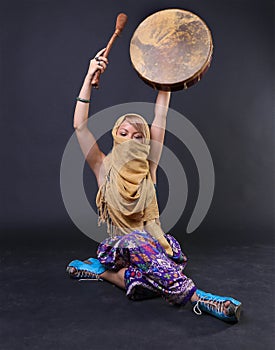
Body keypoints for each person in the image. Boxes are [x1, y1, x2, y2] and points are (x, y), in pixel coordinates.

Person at [66, 48, 242, 323]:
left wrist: (166, 74)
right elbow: (80, 126)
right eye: (123, 134)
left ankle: (101, 273)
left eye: (138, 136)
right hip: (121, 247)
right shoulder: (102, 167)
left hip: (153, 245)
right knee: (142, 249)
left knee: (149, 277)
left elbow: (160, 118)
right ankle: (203, 299)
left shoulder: (150, 169)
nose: (130, 139)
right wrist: (89, 77)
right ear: (114, 136)